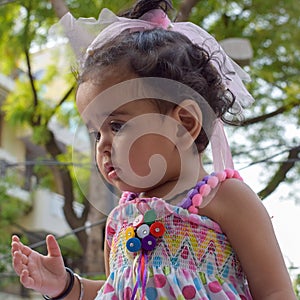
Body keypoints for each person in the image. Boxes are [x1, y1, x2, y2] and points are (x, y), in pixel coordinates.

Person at [11, 0, 296, 299]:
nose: (103, 145)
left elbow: (276, 291)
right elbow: (117, 289)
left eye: (118, 125)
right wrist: (67, 286)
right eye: (96, 133)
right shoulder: (119, 220)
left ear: (184, 124)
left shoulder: (227, 198)